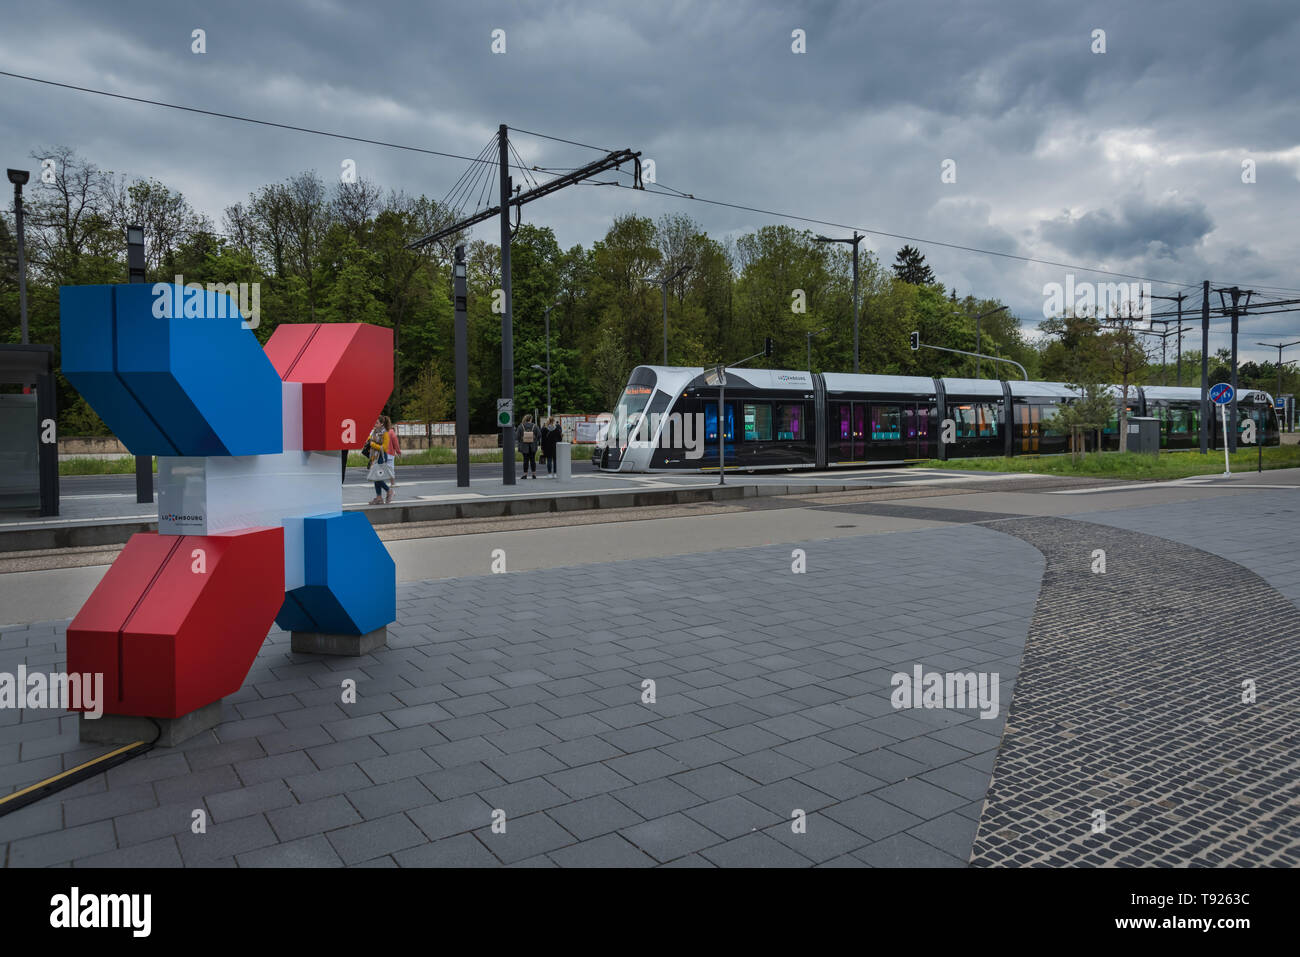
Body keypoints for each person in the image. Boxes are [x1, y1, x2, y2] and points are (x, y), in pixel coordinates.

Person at [366, 416, 398, 504]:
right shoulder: (374, 432)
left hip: (381, 457)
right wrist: (368, 441)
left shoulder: (385, 433)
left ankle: (389, 491)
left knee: (377, 477)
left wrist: (372, 444)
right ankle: (379, 497)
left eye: (376, 423)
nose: (374, 425)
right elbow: (370, 440)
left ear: (381, 424)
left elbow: (384, 447)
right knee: (376, 477)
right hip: (374, 457)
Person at [516, 414, 540, 479]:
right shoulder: (535, 426)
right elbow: (539, 435)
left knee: (525, 460)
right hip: (533, 446)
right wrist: (534, 439)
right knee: (533, 460)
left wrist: (522, 438)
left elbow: (517, 436)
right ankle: (534, 474)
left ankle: (525, 474)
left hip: (524, 446)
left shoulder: (521, 426)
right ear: (531, 419)